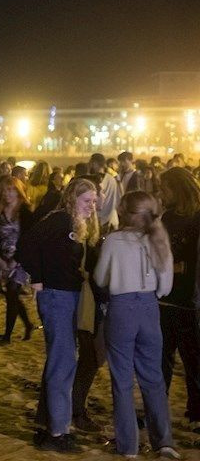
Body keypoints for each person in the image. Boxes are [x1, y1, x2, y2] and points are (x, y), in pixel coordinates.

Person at [93, 191, 183, 459]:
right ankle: (164, 441)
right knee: (153, 378)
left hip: (121, 308)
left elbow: (100, 278)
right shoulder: (159, 238)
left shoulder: (115, 240)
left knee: (121, 380)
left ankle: (129, 446)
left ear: (124, 212)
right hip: (149, 308)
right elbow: (165, 287)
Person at [18, 177, 99, 453]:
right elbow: (26, 244)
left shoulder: (79, 224)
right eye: (87, 200)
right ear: (72, 198)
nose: (93, 205)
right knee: (63, 363)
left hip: (70, 297)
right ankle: (58, 432)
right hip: (56, 297)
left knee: (60, 360)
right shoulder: (60, 220)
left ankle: (48, 423)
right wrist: (38, 280)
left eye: (94, 200)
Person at [158, 167, 200, 424]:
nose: (162, 193)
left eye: (165, 188)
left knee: (194, 360)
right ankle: (157, 406)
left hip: (191, 301)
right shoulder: (167, 217)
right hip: (164, 298)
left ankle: (196, 411)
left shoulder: (197, 218)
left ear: (178, 188)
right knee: (162, 358)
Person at [0, 175, 36, 345]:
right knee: (12, 296)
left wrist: (16, 260)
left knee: (11, 292)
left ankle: (7, 336)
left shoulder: (25, 211)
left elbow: (28, 238)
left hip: (21, 260)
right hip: (4, 258)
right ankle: (28, 324)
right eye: (4, 191)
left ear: (18, 191)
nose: (7, 194)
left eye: (11, 190)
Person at [91, 153, 122, 232]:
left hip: (97, 219)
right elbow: (118, 197)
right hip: (112, 218)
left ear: (94, 163)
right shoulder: (112, 179)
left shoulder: (93, 180)